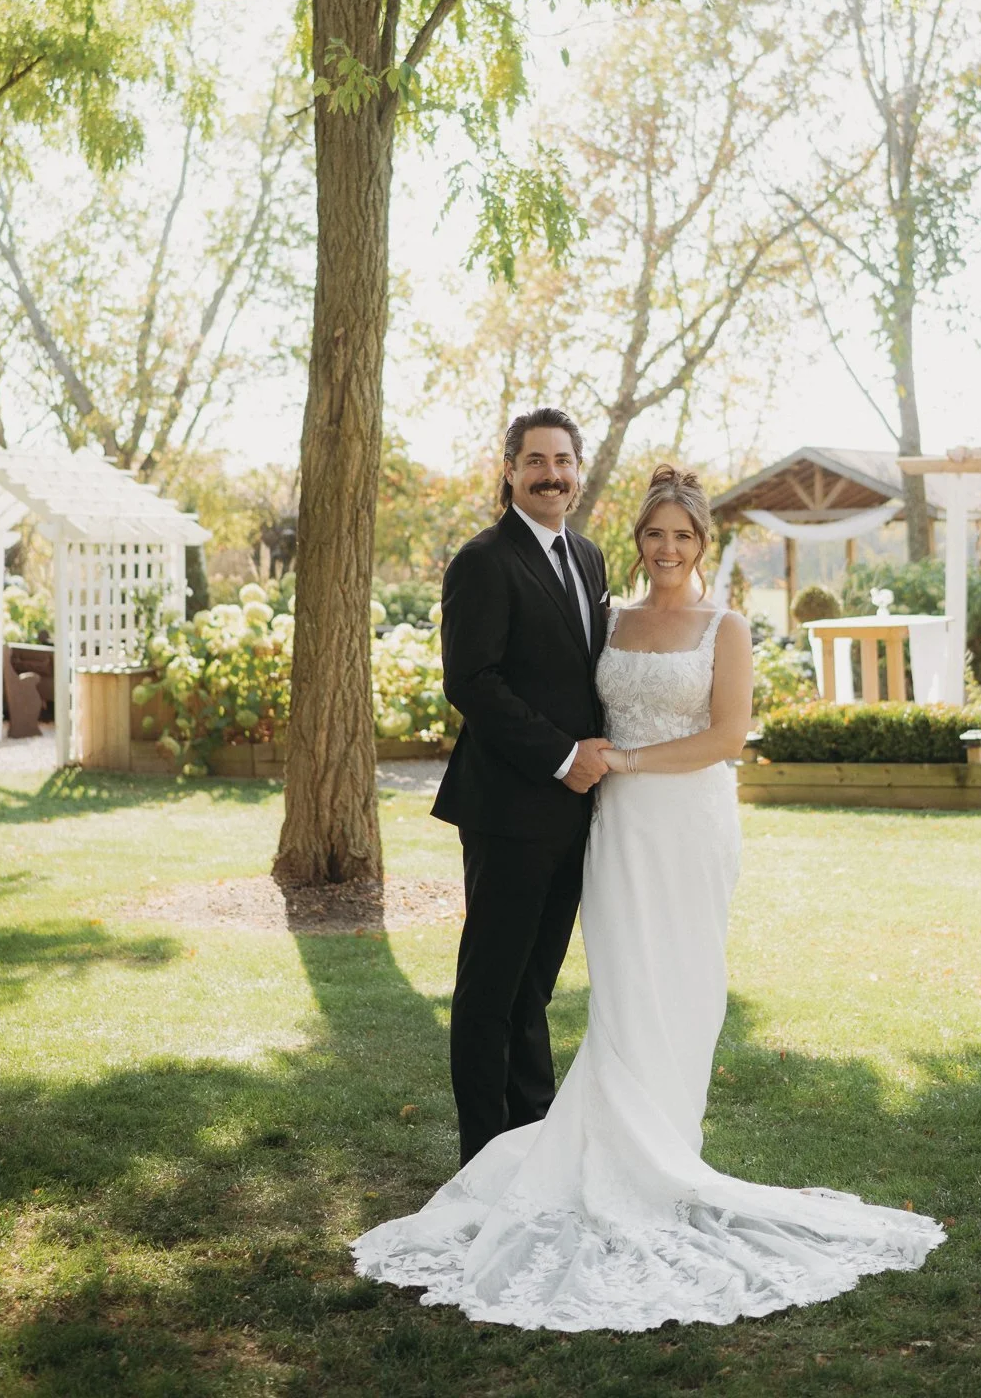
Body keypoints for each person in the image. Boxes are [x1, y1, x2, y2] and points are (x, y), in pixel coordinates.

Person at [354, 461, 945, 1330]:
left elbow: (725, 735)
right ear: (638, 542)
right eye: (655, 535)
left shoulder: (727, 625)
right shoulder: (609, 613)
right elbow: (528, 680)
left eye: (682, 536)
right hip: (612, 826)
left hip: (685, 821)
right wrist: (584, 764)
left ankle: (667, 1150)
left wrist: (620, 760)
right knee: (623, 986)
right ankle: (582, 1147)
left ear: (704, 543)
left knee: (686, 982)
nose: (667, 549)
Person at [429, 406, 612, 1167]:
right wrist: (563, 756)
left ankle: (529, 1144)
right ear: (508, 471)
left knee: (535, 988)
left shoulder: (591, 558)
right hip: (508, 808)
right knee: (488, 993)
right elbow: (471, 680)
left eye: (563, 461)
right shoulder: (483, 560)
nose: (551, 475)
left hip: (575, 813)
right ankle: (480, 1160)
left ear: (577, 471)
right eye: (535, 461)